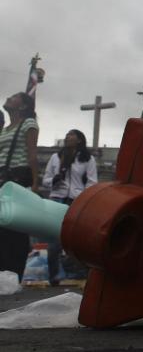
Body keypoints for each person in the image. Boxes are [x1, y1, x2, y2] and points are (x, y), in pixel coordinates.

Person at [42, 129, 97, 286]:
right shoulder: (56, 157)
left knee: (75, 239)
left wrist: (84, 199)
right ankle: (54, 277)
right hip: (56, 199)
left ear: (80, 140)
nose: (67, 137)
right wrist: (54, 180)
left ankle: (80, 273)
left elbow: (92, 182)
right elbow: (45, 179)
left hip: (75, 202)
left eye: (71, 135)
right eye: (66, 135)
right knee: (54, 239)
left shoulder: (87, 159)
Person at [0, 92, 40, 280]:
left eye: (14, 97)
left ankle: (14, 271)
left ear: (23, 106)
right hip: (2, 179)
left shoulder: (28, 124)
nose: (9, 98)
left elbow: (32, 153)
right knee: (2, 225)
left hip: (19, 178)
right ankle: (3, 271)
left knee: (15, 225)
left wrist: (35, 183)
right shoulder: (6, 129)